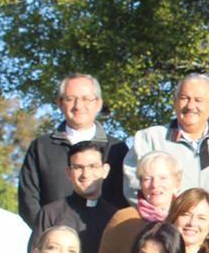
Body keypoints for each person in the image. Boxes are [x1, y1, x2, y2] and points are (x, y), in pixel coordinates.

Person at [18, 73, 128, 225]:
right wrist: (48, 234)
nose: (78, 106)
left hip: (104, 243)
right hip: (52, 244)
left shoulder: (116, 149)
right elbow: (28, 199)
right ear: (60, 103)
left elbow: (123, 201)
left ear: (98, 103)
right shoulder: (41, 147)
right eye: (70, 99)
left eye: (85, 99)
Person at [124, 73, 209, 203]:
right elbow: (133, 185)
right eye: (184, 98)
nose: (190, 106)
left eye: (198, 100)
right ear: (174, 101)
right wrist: (170, 214)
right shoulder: (149, 139)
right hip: (162, 221)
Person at [27, 141, 119, 253]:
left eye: (93, 166)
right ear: (68, 173)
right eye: (78, 167)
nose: (86, 174)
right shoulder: (50, 213)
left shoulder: (116, 217)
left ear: (105, 170)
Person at [93, 151, 183, 253]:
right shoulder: (124, 219)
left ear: (177, 183)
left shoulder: (185, 220)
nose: (155, 185)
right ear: (140, 184)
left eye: (163, 178)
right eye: (147, 178)